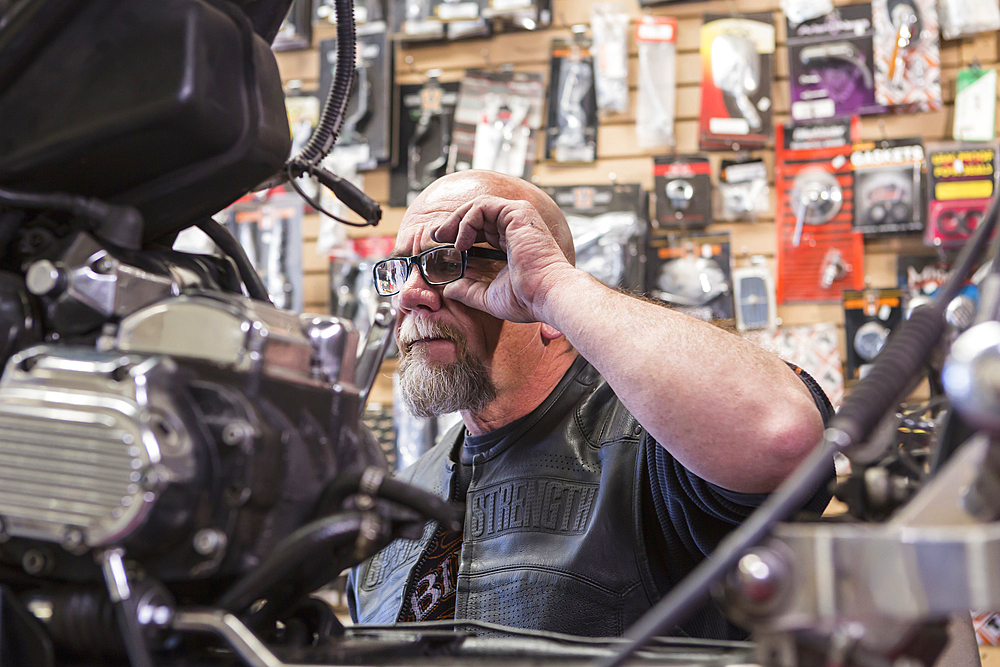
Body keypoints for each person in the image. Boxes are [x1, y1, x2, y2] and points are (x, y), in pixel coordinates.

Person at [347, 169, 833, 639]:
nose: (410, 296)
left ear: (545, 310)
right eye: (400, 269)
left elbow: (782, 434)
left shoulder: (652, 448)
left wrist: (556, 286)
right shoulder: (397, 500)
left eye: (446, 262)